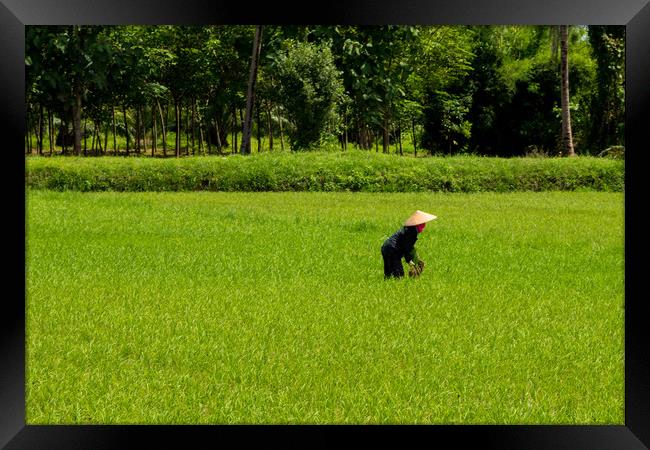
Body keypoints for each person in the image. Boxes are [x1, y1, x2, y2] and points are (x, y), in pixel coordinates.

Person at [381, 210, 437, 279]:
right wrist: (409, 261)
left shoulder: (409, 229)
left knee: (388, 272)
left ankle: (387, 283)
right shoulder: (412, 231)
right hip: (393, 250)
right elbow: (407, 248)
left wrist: (414, 259)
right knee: (399, 275)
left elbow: (408, 246)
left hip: (386, 247)